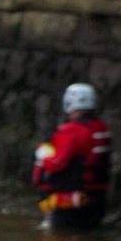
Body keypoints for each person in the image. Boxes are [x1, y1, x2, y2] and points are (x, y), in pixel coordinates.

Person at [33, 82, 111, 230]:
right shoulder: (100, 127)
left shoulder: (71, 131)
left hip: (70, 202)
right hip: (97, 200)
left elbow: (55, 164)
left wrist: (42, 152)